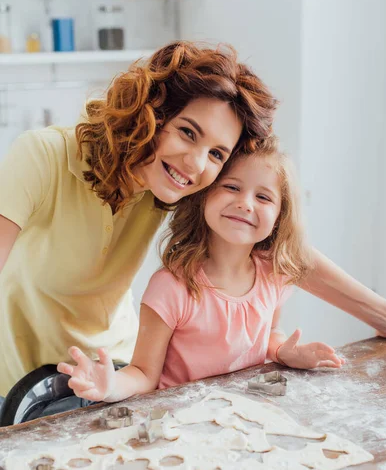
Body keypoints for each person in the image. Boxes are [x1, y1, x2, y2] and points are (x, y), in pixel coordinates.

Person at [0, 41, 386, 400]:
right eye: (188, 133)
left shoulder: (171, 183)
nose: (195, 164)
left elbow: (287, 250)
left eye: (217, 154)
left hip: (115, 372)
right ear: (151, 112)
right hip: (19, 385)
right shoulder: (42, 157)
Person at [57, 140, 345, 401]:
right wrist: (110, 386)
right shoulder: (171, 287)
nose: (245, 203)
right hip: (182, 426)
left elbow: (268, 333)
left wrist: (283, 351)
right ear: (203, 196)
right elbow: (144, 373)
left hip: (245, 417)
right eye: (232, 187)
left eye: (264, 197)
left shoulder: (274, 276)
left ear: (280, 216)